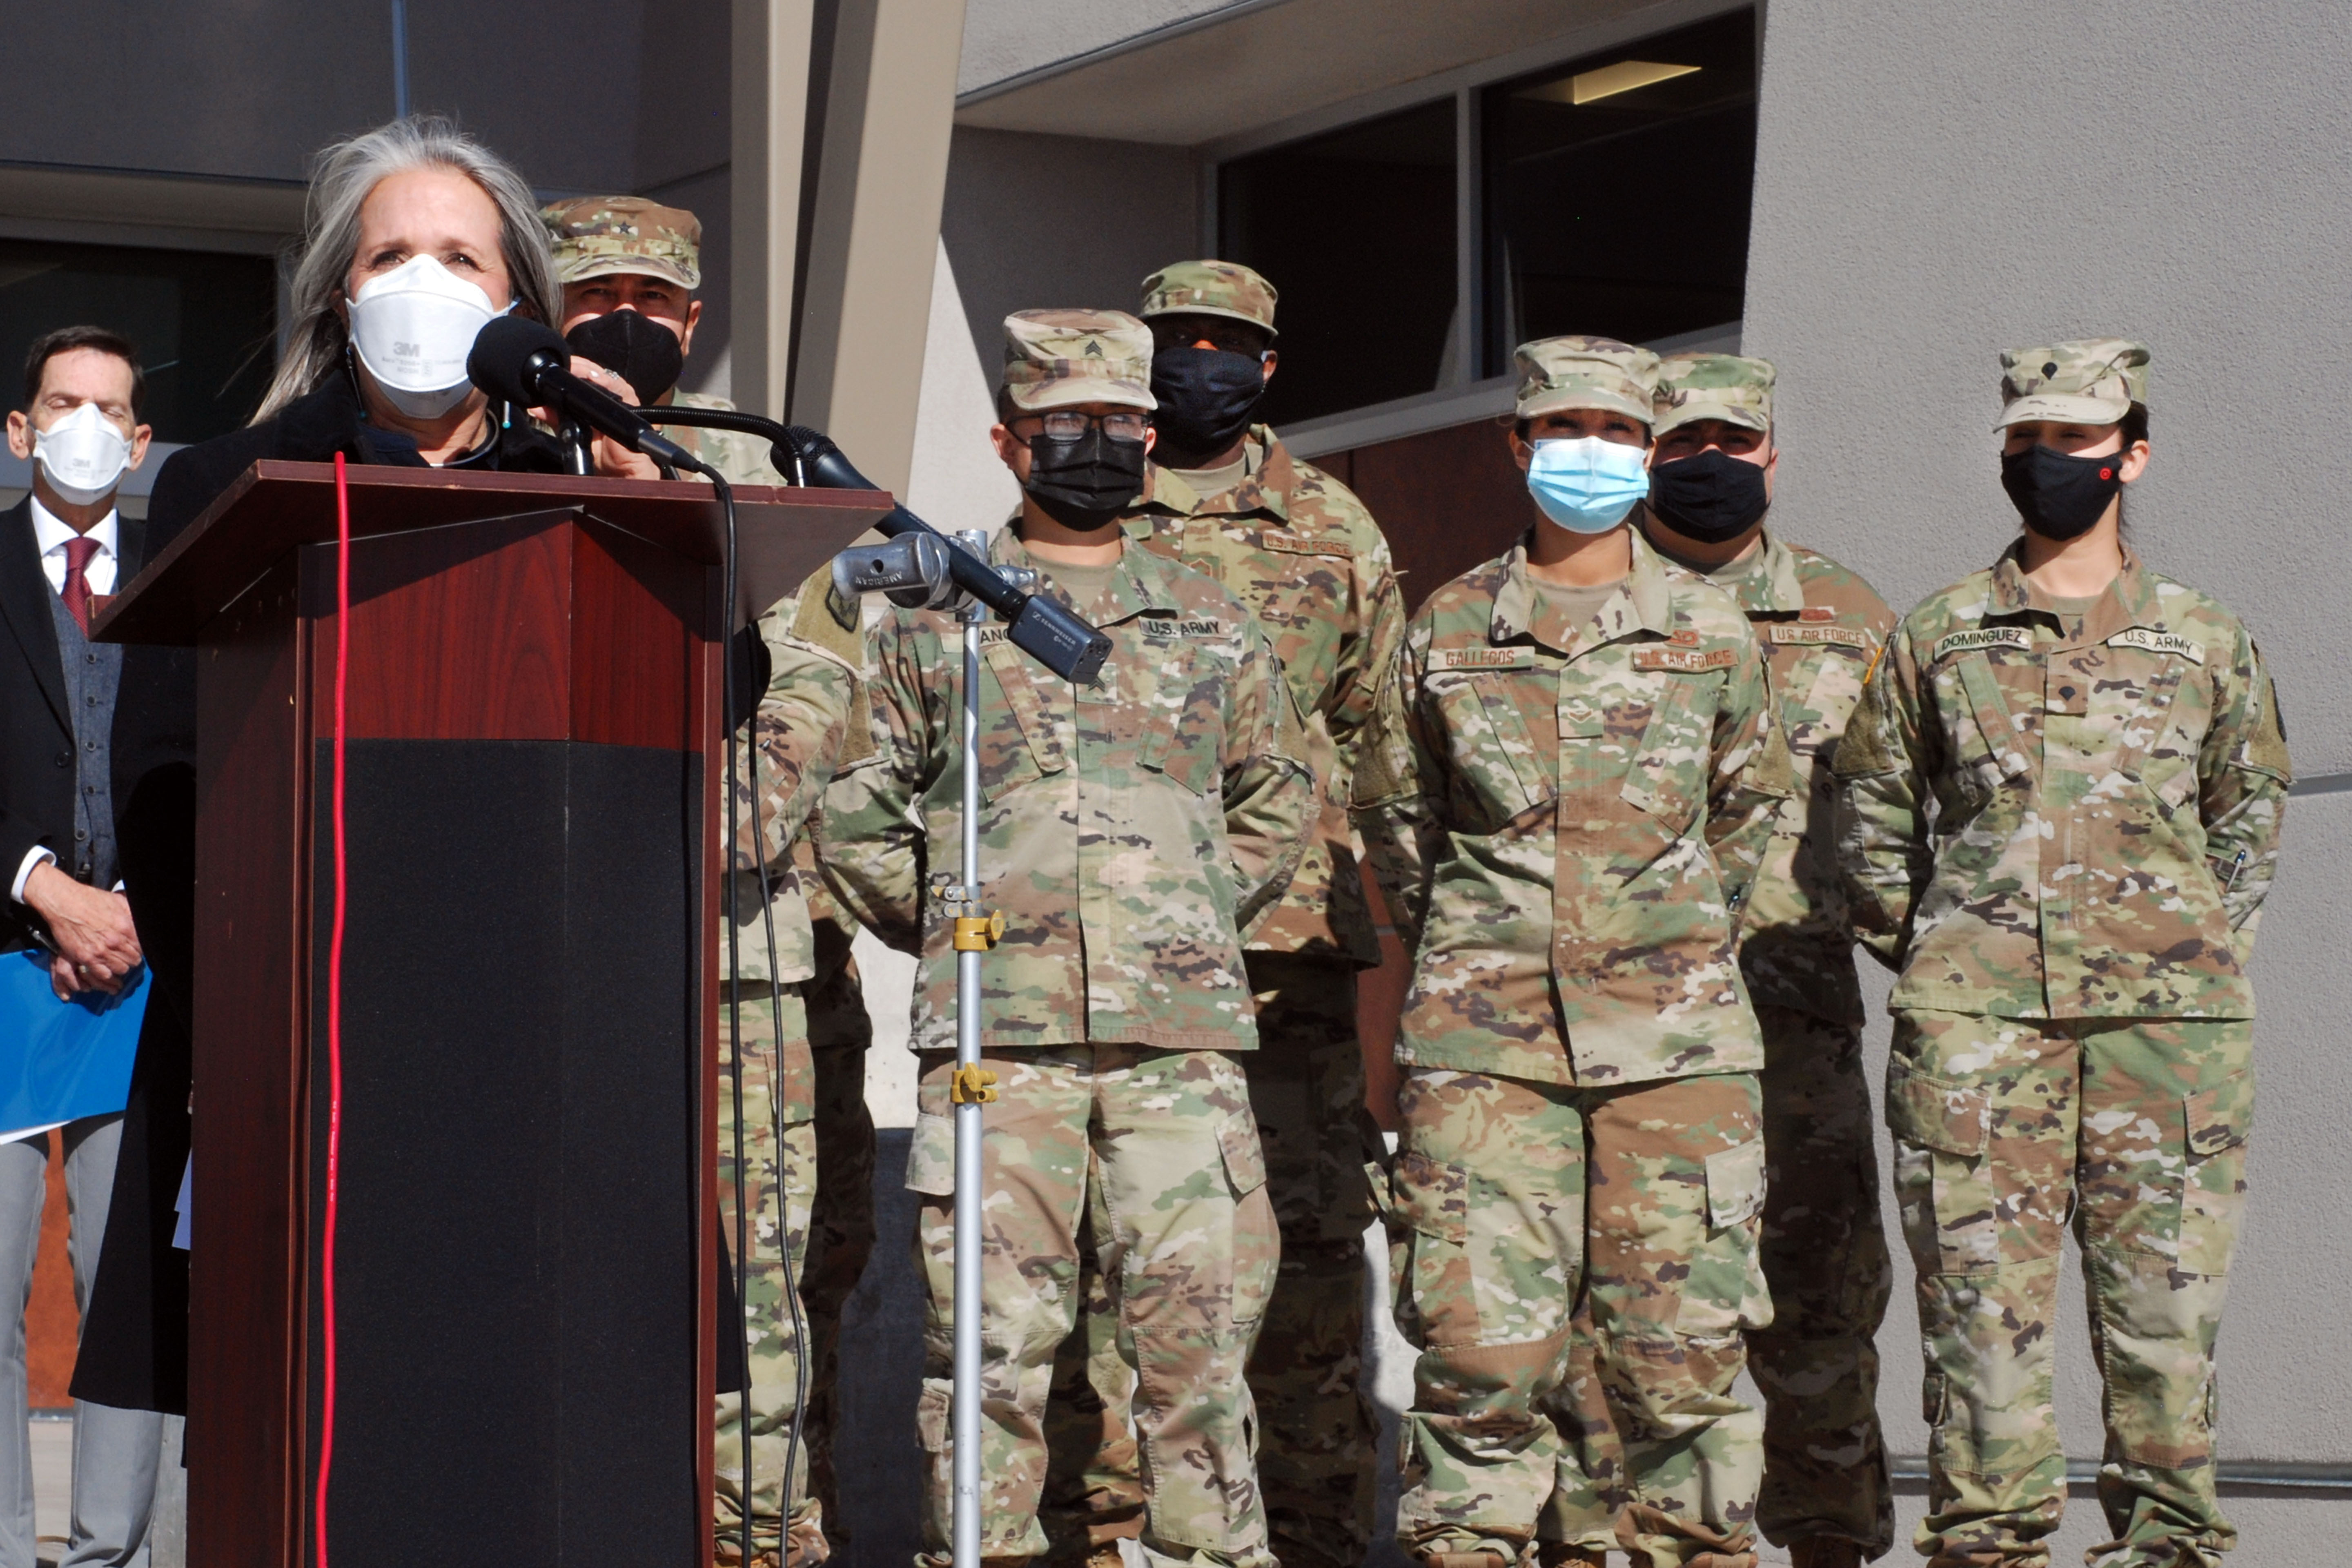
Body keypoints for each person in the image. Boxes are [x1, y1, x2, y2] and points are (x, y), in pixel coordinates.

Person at [68, 113, 593, 1419]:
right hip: (300, 1051)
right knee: (307, 1419)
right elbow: (162, 777)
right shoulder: (236, 480)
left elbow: (716, 704)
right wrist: (241, 1008)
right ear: (339, 292)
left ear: (518, 306)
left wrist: (637, 477)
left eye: (460, 259)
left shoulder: (579, 479)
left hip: (541, 1055)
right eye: (389, 255)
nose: (422, 283)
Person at [818, 309, 1313, 1568]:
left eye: (1121, 422)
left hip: (1178, 1045)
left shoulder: (1210, 619)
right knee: (988, 1363)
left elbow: (1278, 795)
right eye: (1064, 423)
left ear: (1151, 439)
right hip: (1000, 1046)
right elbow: (858, 811)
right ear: (1008, 440)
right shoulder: (938, 618)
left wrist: (1187, 914)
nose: (1096, 444)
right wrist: (961, 932)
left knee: (1198, 1358)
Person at [1833, 340, 2290, 1568]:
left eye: (2076, 439)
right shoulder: (1939, 633)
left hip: (2170, 1037)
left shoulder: (2205, 636)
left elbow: (2249, 814)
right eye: (2027, 439)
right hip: (1979, 1033)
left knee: (2166, 1322)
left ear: (2132, 456)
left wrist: (2185, 953)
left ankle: (2168, 1544)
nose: (2048, 460)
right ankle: (1991, 1546)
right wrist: (1948, 951)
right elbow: (1868, 820)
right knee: (1980, 1321)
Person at [1353, 335, 1791, 1568]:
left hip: (1676, 1058)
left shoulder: (1713, 631)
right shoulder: (1448, 627)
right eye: (1563, 429)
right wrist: (1485, 952)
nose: (1588, 452)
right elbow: (1402, 825)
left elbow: (1744, 819)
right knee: (1478, 1369)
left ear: (1648, 452)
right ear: (1518, 444)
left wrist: (1663, 953)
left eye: (1615, 431)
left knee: (1682, 1377)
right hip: (1484, 1060)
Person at [1038, 259, 1406, 1568]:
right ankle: (1109, 1538)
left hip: (1286, 959)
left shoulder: (1334, 527)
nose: (1202, 365)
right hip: (1116, 963)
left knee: (1305, 1258)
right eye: (1179, 343)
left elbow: (1378, 737)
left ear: (1268, 365)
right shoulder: (1079, 499)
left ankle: (1313, 1538)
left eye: (1227, 344)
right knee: (1111, 1269)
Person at [542, 193, 879, 1560]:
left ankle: (755, 1540)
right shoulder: (477, 458)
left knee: (752, 1310)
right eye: (594, 299)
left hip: (724, 966)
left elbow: (807, 709)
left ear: (693, 323)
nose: (625, 324)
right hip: (523, 957)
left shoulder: (761, 479)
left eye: (654, 303)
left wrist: (663, 824)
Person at [1633, 354, 1897, 1568]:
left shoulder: (1851, 616)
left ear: (1773, 459)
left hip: (1794, 1020)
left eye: (1732, 444)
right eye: (1682, 443)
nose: (1709, 464)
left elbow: (1915, 809)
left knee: (1821, 1308)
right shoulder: (1579, 606)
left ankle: (1830, 1547)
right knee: (1637, 1325)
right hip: (1625, 1035)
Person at [0, 327, 167, 1566]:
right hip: (3, 967)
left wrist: (132, 910)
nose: (87, 429)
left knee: (127, 1295)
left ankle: (110, 1556)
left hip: (143, 980)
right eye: (64, 405)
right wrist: (44, 890)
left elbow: (215, 755)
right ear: (20, 431)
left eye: (111, 410)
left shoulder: (185, 575)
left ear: (142, 441)